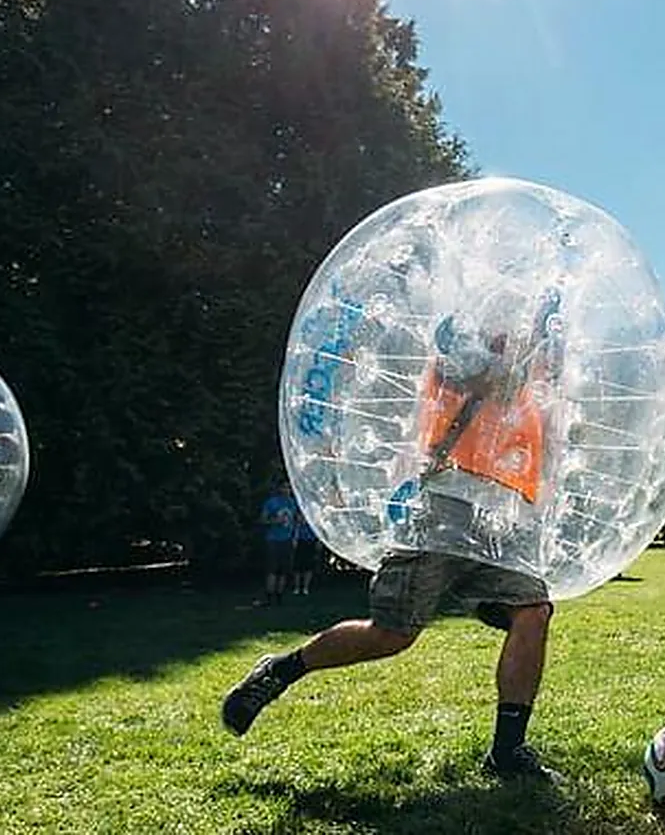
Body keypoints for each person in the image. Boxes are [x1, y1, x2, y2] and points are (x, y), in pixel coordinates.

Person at [222, 293, 563, 782]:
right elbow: (492, 382)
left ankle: (507, 753)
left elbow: (532, 427)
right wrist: (528, 335)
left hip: (498, 517)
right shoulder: (455, 341)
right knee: (392, 635)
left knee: (533, 612)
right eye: (506, 313)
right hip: (441, 508)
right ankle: (280, 670)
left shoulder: (526, 360)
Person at [258, 480, 299, 606]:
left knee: (283, 570)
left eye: (289, 488)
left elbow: (296, 520)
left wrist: (295, 537)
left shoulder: (292, 502)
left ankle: (279, 596)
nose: (287, 490)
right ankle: (269, 596)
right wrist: (275, 521)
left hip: (287, 540)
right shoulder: (271, 502)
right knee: (272, 570)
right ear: (280, 489)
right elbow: (262, 520)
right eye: (285, 488)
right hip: (273, 540)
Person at [291, 512, 318, 596]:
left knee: (309, 565)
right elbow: (296, 526)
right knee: (297, 566)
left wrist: (318, 541)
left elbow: (317, 527)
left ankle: (306, 588)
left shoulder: (313, 512)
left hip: (310, 540)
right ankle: (297, 587)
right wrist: (294, 539)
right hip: (300, 541)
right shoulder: (299, 511)